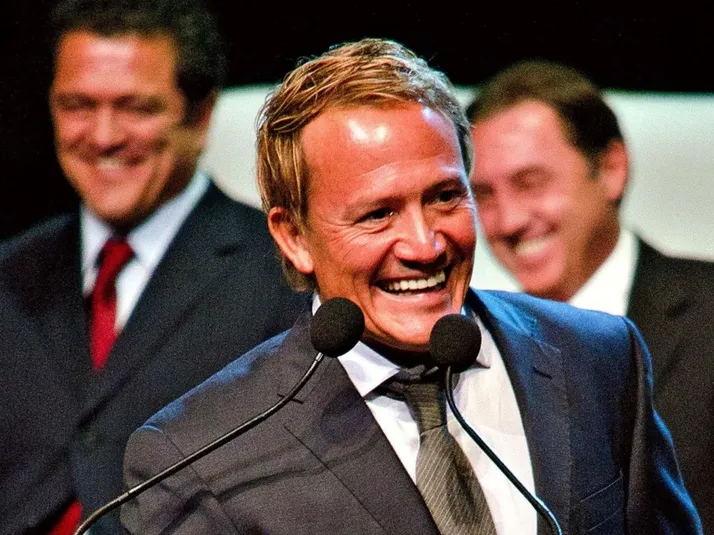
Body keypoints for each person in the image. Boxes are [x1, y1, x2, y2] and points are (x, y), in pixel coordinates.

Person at [121, 39, 701, 534]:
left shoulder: (597, 358)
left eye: (445, 197)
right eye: (377, 214)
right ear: (294, 236)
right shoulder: (199, 457)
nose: (424, 246)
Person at [0, 0, 308, 533]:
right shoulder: (8, 275)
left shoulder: (287, 273)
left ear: (201, 116)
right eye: (77, 106)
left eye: (136, 108)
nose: (103, 137)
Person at [466, 59, 714, 532]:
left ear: (611, 169)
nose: (508, 220)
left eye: (531, 183)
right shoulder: (475, 354)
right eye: (484, 195)